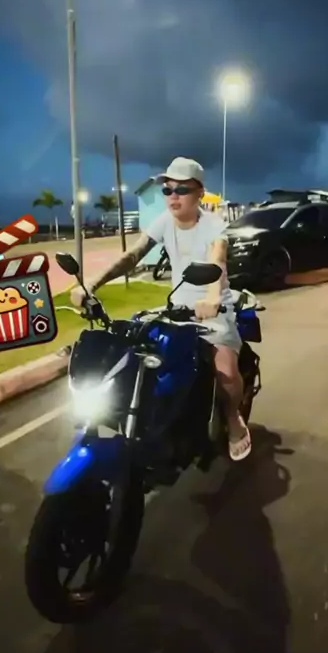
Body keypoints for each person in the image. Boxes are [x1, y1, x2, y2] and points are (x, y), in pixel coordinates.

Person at [71, 157, 251, 461]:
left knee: (225, 373)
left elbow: (217, 261)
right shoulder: (164, 221)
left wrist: (211, 298)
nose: (173, 196)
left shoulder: (214, 225)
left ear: (199, 193)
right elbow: (133, 255)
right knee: (136, 351)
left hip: (214, 310)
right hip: (177, 308)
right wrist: (92, 284)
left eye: (182, 189)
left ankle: (234, 420)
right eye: (167, 190)